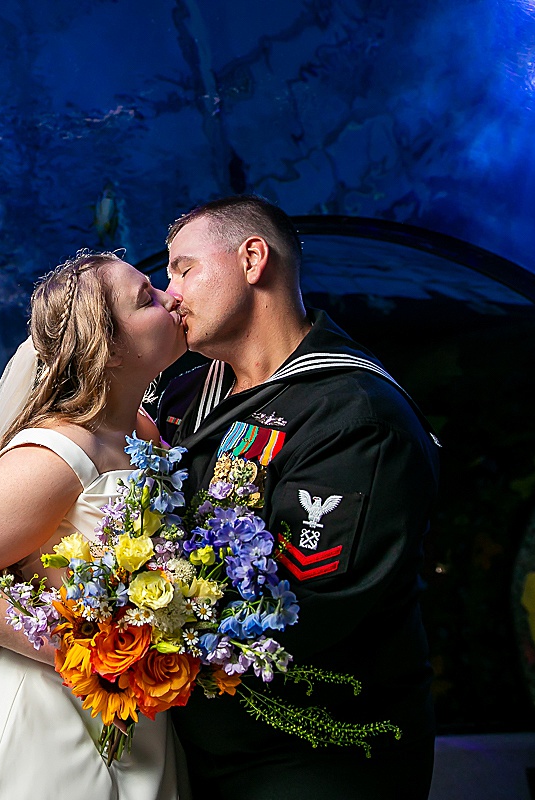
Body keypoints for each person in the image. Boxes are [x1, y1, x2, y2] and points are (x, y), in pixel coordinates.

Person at [158, 196, 440, 800]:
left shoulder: (355, 417)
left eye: (184, 269)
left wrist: (119, 618)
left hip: (313, 760)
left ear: (252, 259)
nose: (170, 294)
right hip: (188, 749)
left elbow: (303, 609)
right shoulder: (180, 396)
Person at [0, 251, 188, 799]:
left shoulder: (143, 430)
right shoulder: (57, 453)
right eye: (146, 298)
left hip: (132, 708)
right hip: (51, 720)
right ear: (108, 346)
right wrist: (78, 652)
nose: (171, 298)